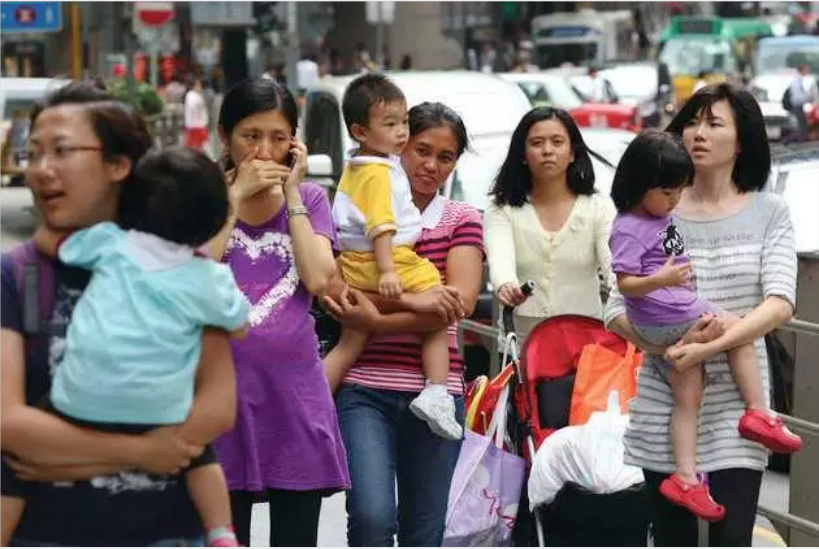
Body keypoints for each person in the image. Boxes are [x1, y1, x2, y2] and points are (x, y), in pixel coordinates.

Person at [0, 81, 238, 546]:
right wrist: (143, 450)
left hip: (167, 534)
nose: (42, 170)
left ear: (118, 165)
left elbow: (216, 406)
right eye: (34, 153)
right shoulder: (17, 274)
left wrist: (68, 455)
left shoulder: (185, 268)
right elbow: (8, 421)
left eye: (63, 151)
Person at [604, 83, 798, 546]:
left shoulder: (770, 212)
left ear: (743, 139)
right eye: (691, 121)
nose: (697, 133)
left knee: (732, 539)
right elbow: (615, 307)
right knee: (673, 539)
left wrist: (708, 347)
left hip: (740, 406)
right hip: (666, 398)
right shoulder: (652, 208)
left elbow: (779, 303)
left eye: (714, 123)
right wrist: (669, 349)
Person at [323, 101, 483, 546]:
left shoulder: (461, 219)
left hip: (438, 394)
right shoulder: (354, 211)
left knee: (425, 530)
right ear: (399, 146)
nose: (431, 165)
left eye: (445, 157)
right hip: (364, 390)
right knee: (372, 519)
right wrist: (418, 302)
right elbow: (338, 293)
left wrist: (373, 318)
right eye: (421, 150)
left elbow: (459, 303)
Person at [206, 77, 350, 547]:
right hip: (219, 401)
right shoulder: (202, 195)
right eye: (251, 136)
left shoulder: (309, 201)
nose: (264, 151)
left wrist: (291, 196)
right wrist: (231, 197)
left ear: (295, 143)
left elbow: (319, 280)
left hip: (293, 399)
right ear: (224, 136)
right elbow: (189, 276)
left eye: (278, 137)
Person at [323, 73, 462, 441]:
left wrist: (375, 317)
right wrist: (398, 285)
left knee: (352, 338)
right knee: (436, 291)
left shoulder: (360, 167)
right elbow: (381, 226)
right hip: (377, 265)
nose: (400, 132)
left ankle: (310, 403)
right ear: (360, 132)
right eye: (393, 125)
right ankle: (436, 391)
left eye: (403, 123)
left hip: (360, 268)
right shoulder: (378, 173)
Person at [484, 106, 617, 341]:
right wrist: (506, 286)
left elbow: (613, 266)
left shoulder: (598, 206)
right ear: (523, 155)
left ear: (573, 152)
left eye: (557, 142)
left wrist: (632, 287)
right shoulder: (501, 208)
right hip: (523, 344)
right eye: (536, 143)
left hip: (586, 343)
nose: (547, 151)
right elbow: (500, 260)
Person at [785, 63, 819, 143]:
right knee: (803, 126)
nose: (808, 71)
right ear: (802, 70)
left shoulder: (798, 80)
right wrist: (810, 99)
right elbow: (800, 96)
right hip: (800, 106)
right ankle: (799, 142)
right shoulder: (801, 80)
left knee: (802, 126)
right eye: (806, 69)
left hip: (800, 105)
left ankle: (799, 141)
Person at [184, 76, 210, 151]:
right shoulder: (192, 96)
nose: (200, 86)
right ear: (194, 85)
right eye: (198, 84)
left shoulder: (193, 95)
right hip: (196, 126)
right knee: (203, 147)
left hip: (195, 125)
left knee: (196, 148)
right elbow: (194, 109)